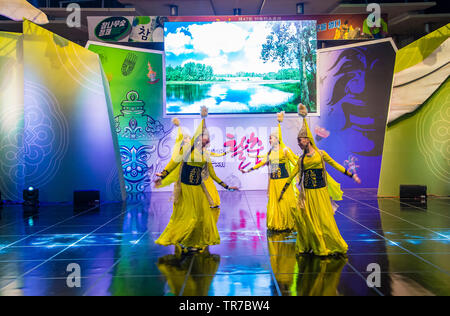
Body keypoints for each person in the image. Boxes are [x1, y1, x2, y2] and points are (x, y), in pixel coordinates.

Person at [279, 104, 361, 256]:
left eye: (300, 140)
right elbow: (291, 176)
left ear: (307, 140)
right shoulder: (301, 159)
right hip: (309, 193)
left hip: (321, 192)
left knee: (324, 218)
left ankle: (330, 243)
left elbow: (336, 165)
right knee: (310, 220)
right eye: (297, 141)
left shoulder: (321, 154)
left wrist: (352, 175)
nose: (298, 143)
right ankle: (315, 245)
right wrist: (283, 190)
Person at [154, 106, 238, 253]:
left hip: (198, 187)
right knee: (189, 215)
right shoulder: (187, 149)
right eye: (205, 136)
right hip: (186, 187)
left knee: (201, 216)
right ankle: (183, 238)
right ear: (199, 137)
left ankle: (194, 241)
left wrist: (227, 187)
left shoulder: (206, 155)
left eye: (208, 137)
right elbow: (174, 162)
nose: (207, 139)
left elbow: (212, 174)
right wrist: (163, 173)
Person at [241, 112, 299, 232]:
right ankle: (277, 223)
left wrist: (303, 170)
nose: (269, 140)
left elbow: (295, 163)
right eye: (269, 138)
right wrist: (247, 170)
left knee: (286, 203)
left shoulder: (285, 150)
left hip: (283, 181)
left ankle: (288, 223)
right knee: (275, 203)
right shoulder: (270, 152)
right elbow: (261, 164)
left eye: (270, 138)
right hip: (274, 183)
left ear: (277, 139)